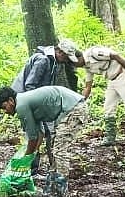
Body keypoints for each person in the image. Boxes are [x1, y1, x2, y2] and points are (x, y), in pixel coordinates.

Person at [0, 85, 88, 197]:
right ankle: (49, 192)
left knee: (59, 152)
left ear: (11, 100)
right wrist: (31, 155)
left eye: (4, 107)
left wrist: (25, 160)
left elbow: (32, 139)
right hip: (69, 109)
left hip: (74, 109)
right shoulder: (24, 102)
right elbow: (40, 134)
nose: (5, 111)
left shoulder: (21, 106)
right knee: (51, 149)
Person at [10, 39, 82, 175]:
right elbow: (30, 85)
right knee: (36, 134)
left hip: (35, 103)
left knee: (44, 134)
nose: (66, 61)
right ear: (59, 51)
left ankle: (45, 167)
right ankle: (30, 168)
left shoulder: (52, 61)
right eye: (66, 57)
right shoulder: (43, 60)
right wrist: (38, 106)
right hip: (27, 102)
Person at [78, 45, 125, 145]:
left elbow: (115, 55)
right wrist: (79, 102)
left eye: (75, 62)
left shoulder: (94, 53)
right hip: (112, 80)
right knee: (108, 108)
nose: (75, 65)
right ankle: (110, 138)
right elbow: (88, 87)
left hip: (122, 74)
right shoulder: (87, 67)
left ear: (79, 58)